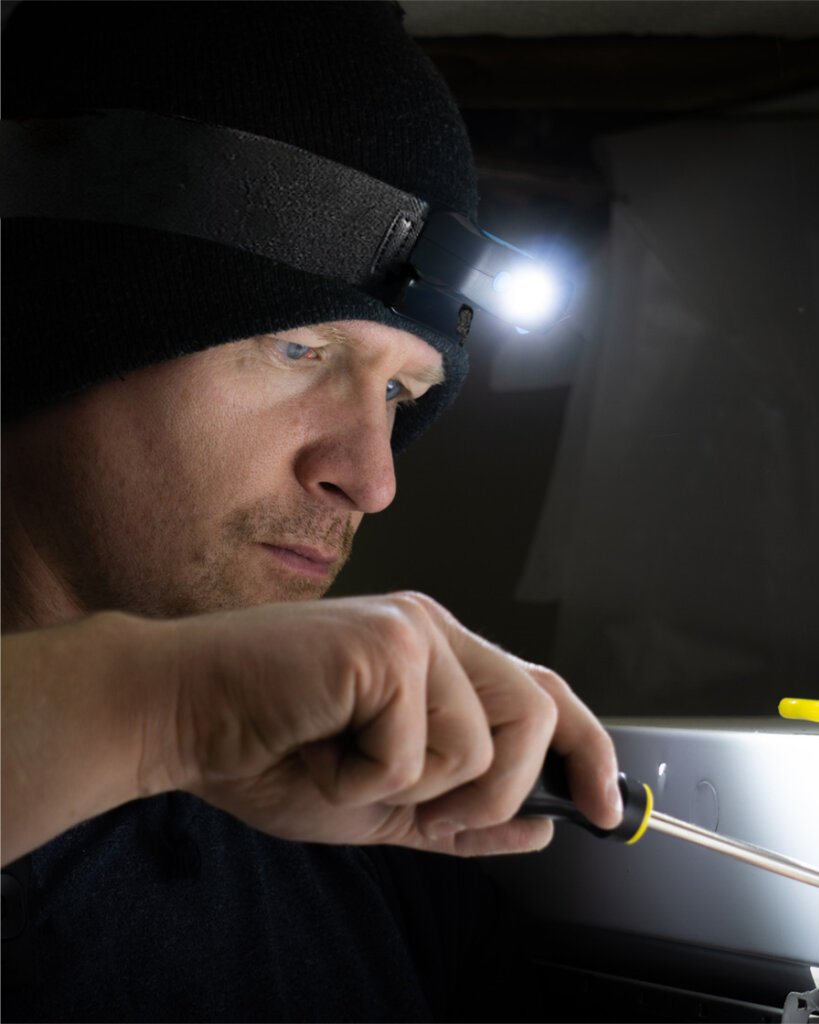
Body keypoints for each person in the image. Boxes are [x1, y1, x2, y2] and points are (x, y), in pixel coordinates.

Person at [0, 3, 621, 1020]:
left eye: (399, 395)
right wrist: (169, 714)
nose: (371, 479)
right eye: (298, 350)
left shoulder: (363, 851)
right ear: (59, 321)